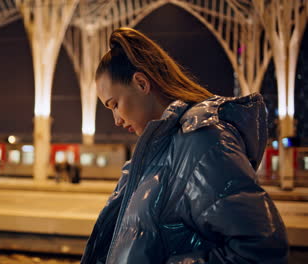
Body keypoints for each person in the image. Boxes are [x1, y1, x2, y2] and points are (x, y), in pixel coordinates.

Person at [81, 28, 288, 264]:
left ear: (141, 83)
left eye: (115, 104)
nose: (116, 120)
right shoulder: (156, 154)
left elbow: (261, 249)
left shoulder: (202, 142)